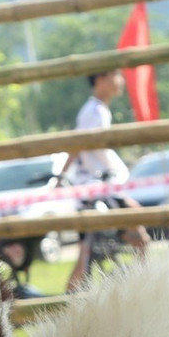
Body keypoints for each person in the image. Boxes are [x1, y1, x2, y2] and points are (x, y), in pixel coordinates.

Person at [65, 70, 149, 289]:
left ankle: (70, 296)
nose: (120, 80)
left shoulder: (94, 110)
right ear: (100, 79)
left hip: (97, 188)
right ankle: (143, 284)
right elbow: (86, 145)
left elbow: (76, 147)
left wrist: (63, 175)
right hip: (100, 188)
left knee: (86, 250)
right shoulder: (94, 111)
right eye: (115, 75)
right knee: (140, 236)